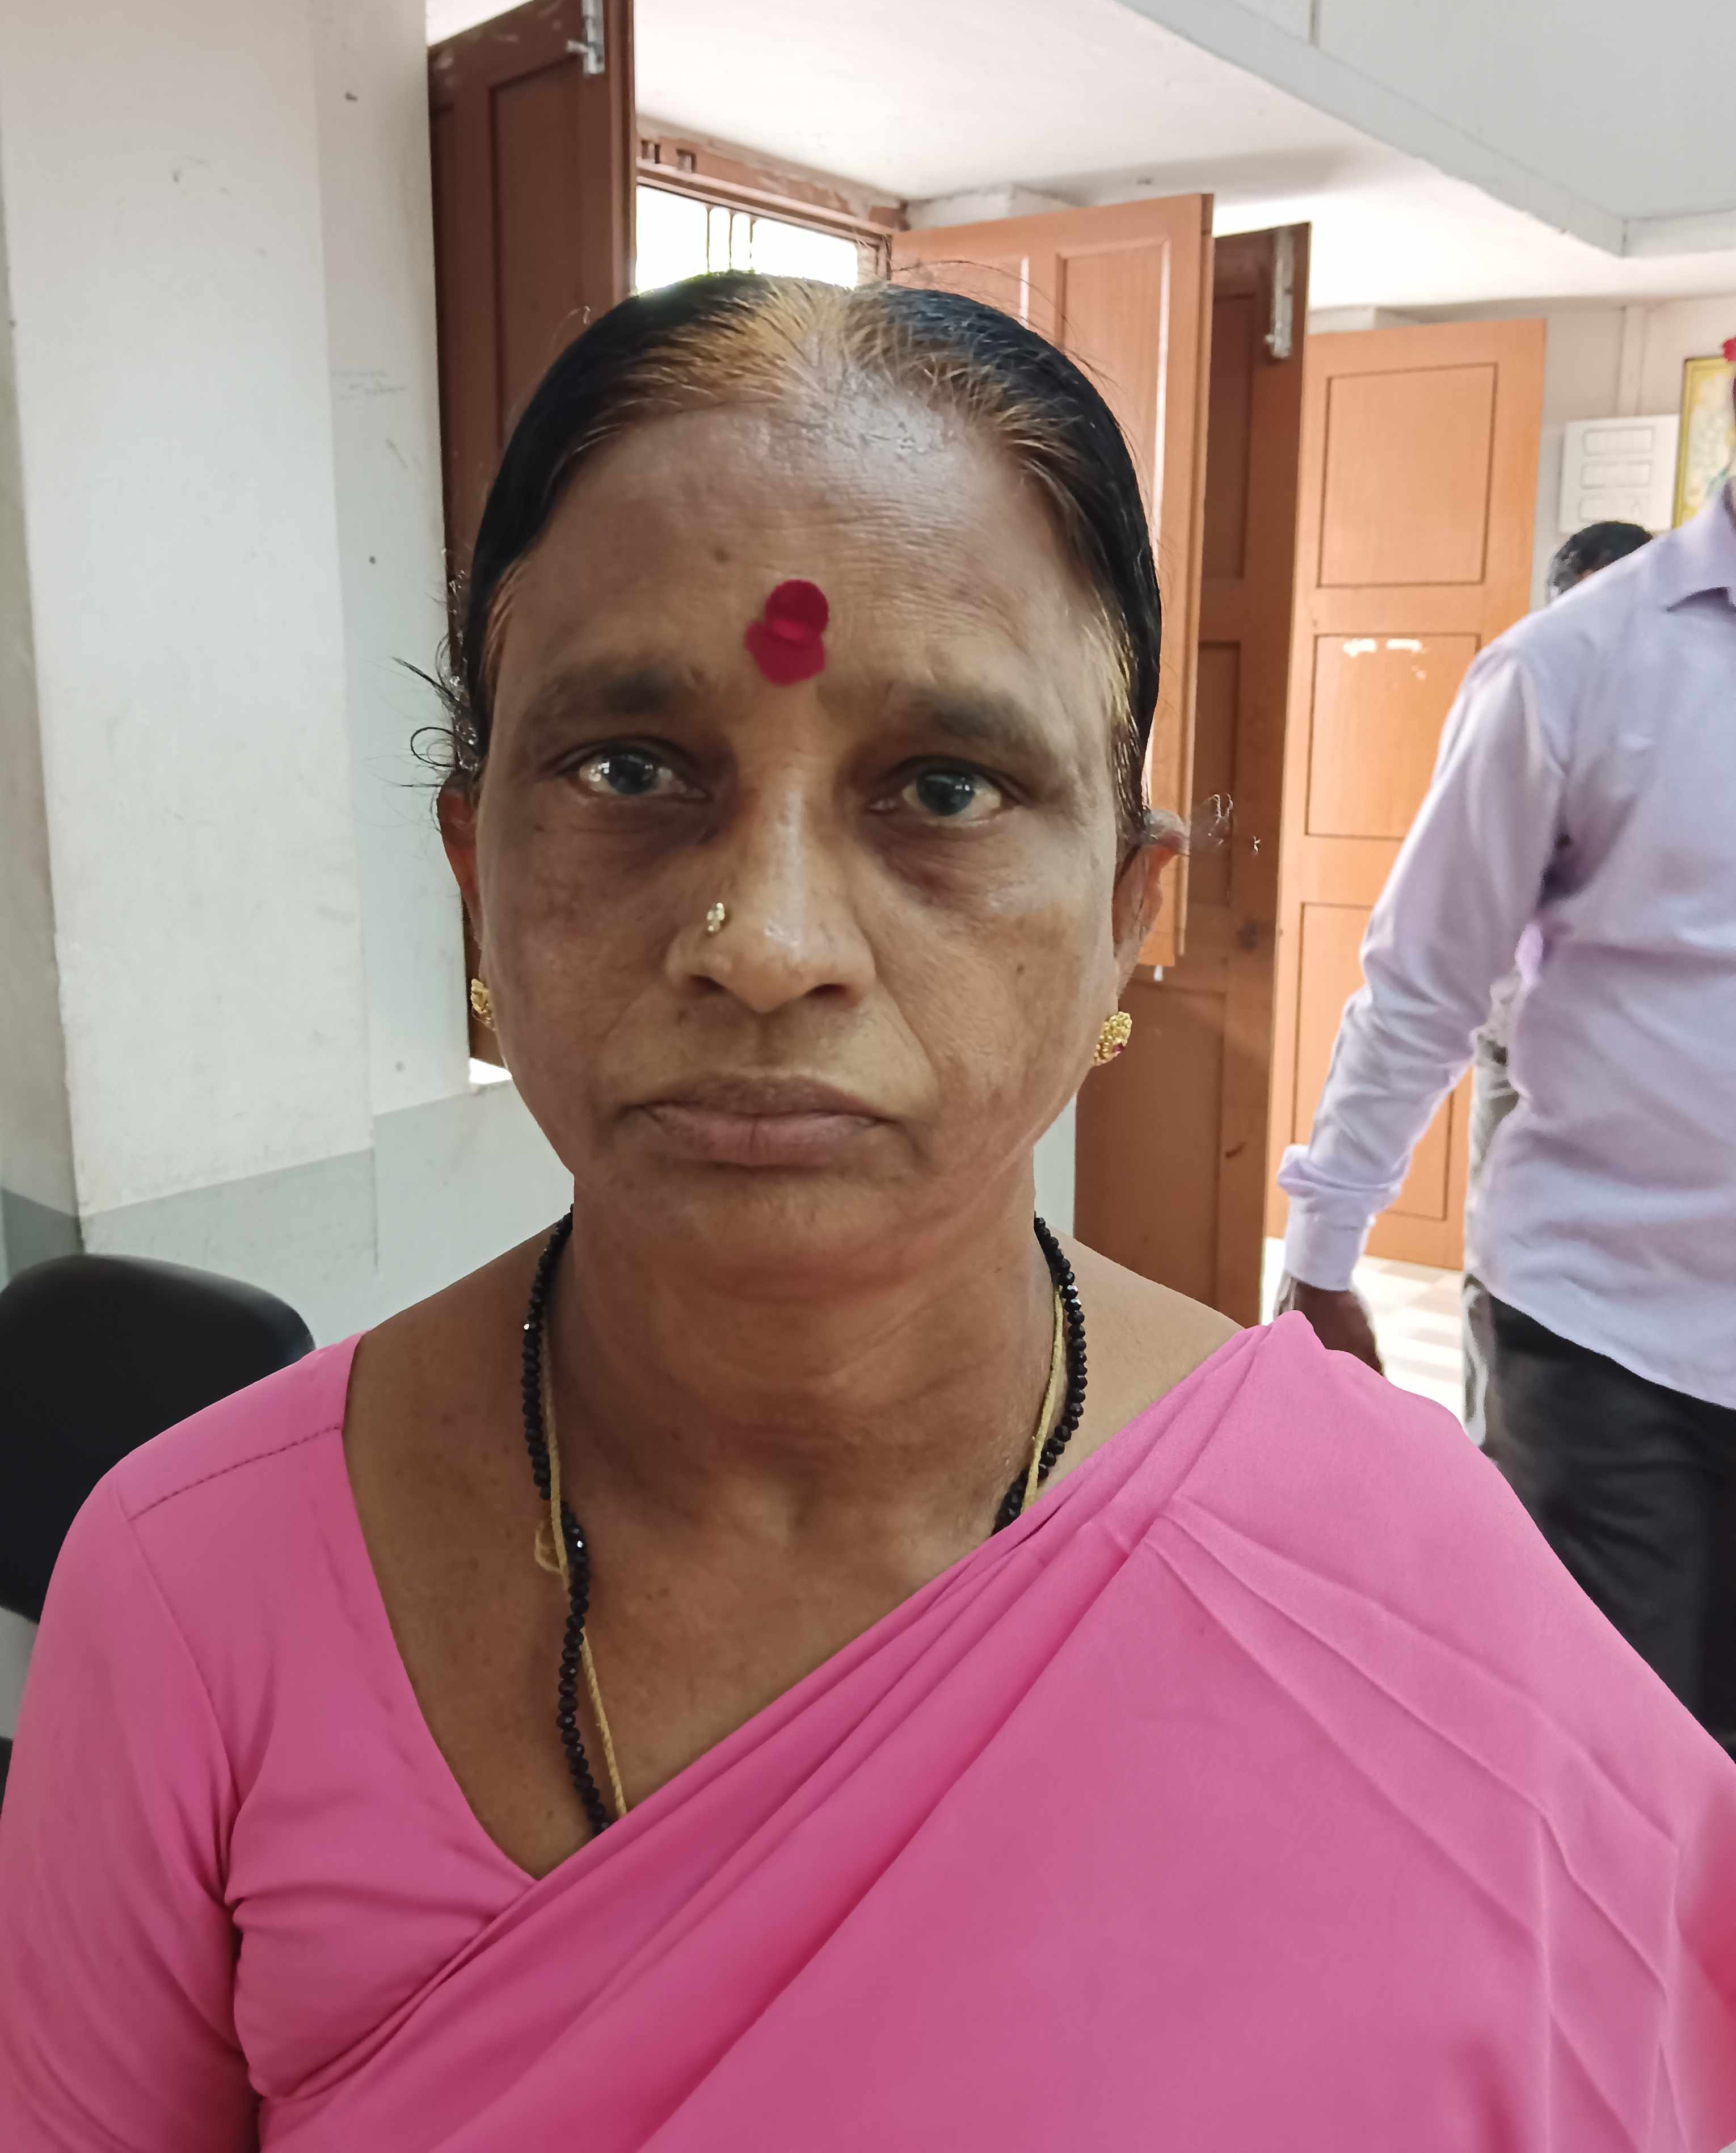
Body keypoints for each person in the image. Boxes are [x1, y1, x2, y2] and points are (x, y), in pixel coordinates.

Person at [3, 277, 1734, 2150]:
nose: (767, 945)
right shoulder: (192, 1594)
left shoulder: (1411, 1600)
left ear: (1127, 917)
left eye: (943, 788)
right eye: (628, 770)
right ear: (471, 866)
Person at [1276, 454, 1736, 1741]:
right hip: (1607, 1339)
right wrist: (1323, 1253)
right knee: (1599, 1760)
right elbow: (1424, 983)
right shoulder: (1573, 666)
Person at [1460, 519, 1651, 1441]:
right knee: (1501, 1269)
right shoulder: (1525, 706)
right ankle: (1484, 1458)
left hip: (1636, 1070)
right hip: (1514, 1050)